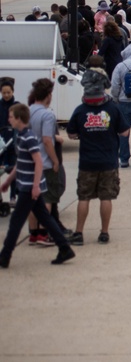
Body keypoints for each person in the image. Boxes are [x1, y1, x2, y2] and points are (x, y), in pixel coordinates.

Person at [0, 104, 75, 268]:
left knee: (15, 222)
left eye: (11, 117)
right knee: (46, 219)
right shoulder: (20, 136)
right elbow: (20, 163)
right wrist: (7, 181)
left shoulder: (29, 138)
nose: (9, 119)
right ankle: (64, 248)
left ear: (19, 118)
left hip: (29, 188)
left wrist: (35, 186)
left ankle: (4, 257)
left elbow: (38, 162)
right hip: (27, 185)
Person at [65, 68, 129, 246]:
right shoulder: (112, 109)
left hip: (87, 161)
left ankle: (79, 233)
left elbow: (70, 134)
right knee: (106, 198)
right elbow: (124, 132)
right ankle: (104, 233)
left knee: (84, 197)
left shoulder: (80, 110)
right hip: (108, 161)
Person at [25, 79, 66, 244]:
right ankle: (43, 233)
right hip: (45, 163)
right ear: (48, 96)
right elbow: (47, 140)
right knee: (47, 199)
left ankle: (33, 233)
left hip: (29, 162)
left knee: (32, 200)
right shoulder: (47, 115)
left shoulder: (28, 112)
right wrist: (55, 161)